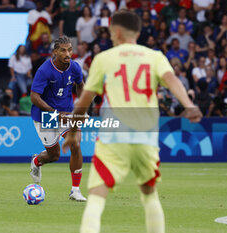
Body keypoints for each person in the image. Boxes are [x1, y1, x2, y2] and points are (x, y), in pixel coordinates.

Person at [62, 11, 202, 233]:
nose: (110, 36)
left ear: (116, 32)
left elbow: (84, 101)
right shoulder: (154, 56)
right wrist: (189, 105)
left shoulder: (104, 58)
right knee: (149, 195)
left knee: (97, 198)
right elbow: (171, 79)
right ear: (137, 32)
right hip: (146, 137)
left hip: (113, 138)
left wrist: (72, 131)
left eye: (110, 32)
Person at [29, 36, 86, 201]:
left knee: (75, 143)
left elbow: (80, 85)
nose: (68, 53)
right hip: (45, 116)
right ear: (55, 52)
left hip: (67, 113)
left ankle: (75, 190)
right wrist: (54, 113)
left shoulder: (75, 67)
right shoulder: (44, 70)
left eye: (70, 49)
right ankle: (37, 160)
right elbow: (34, 97)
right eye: (63, 50)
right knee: (54, 155)